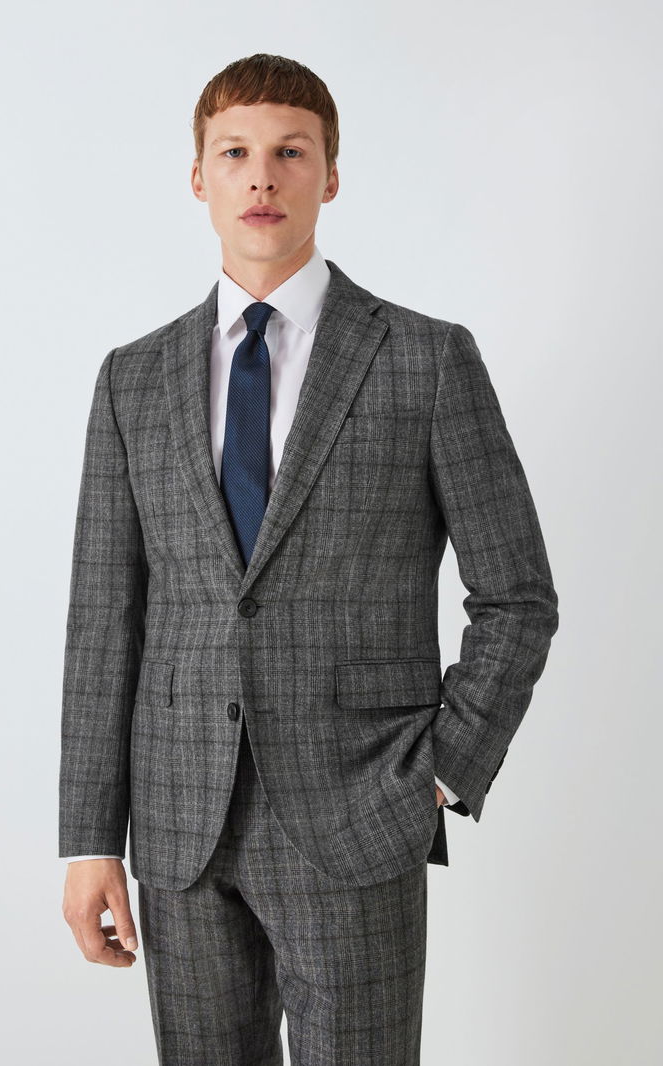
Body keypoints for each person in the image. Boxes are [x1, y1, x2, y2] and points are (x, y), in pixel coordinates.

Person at [59, 52, 559, 1065]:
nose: (261, 177)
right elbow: (105, 621)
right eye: (234, 153)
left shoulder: (424, 359)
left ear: (330, 176)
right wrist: (88, 837)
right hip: (181, 826)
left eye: (290, 153)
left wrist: (438, 773)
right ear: (197, 177)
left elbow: (516, 596)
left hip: (359, 814)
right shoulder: (132, 380)